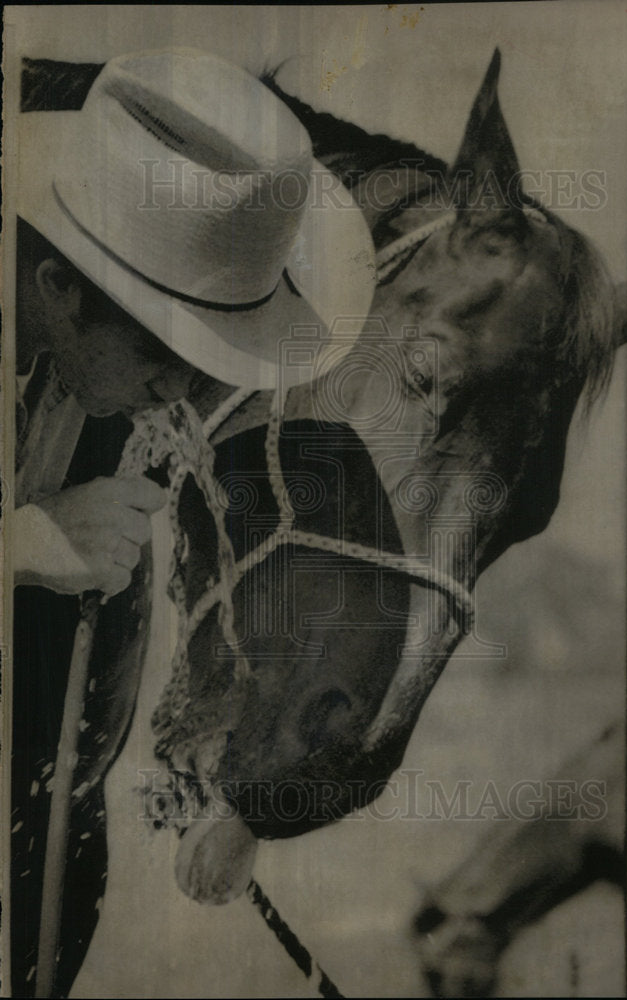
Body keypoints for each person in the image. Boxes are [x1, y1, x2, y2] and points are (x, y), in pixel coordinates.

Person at [10, 47, 375, 996]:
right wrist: (20, 543)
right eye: (165, 359)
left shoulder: (102, 364)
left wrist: (243, 785)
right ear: (56, 285)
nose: (179, 397)